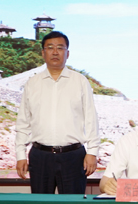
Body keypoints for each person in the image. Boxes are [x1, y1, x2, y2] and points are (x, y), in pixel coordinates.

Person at [15, 31, 99, 194]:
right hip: (40, 156)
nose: (55, 52)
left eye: (60, 48)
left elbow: (91, 119)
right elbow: (23, 122)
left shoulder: (80, 81)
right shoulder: (32, 83)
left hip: (73, 156)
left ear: (67, 54)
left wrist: (92, 152)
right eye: (50, 48)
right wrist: (20, 155)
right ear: (43, 53)